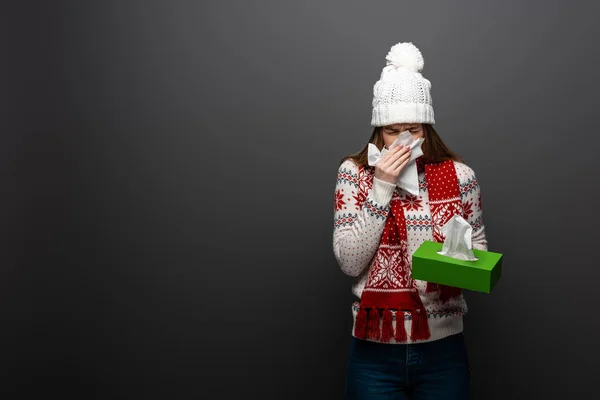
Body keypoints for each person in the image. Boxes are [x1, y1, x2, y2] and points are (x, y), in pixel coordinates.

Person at [332, 42, 488, 399]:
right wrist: (382, 186)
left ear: (427, 128)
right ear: (378, 130)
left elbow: (477, 254)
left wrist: (455, 252)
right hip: (374, 350)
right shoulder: (354, 175)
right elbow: (350, 261)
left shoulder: (460, 175)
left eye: (413, 130)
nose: (403, 140)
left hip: (442, 349)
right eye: (392, 131)